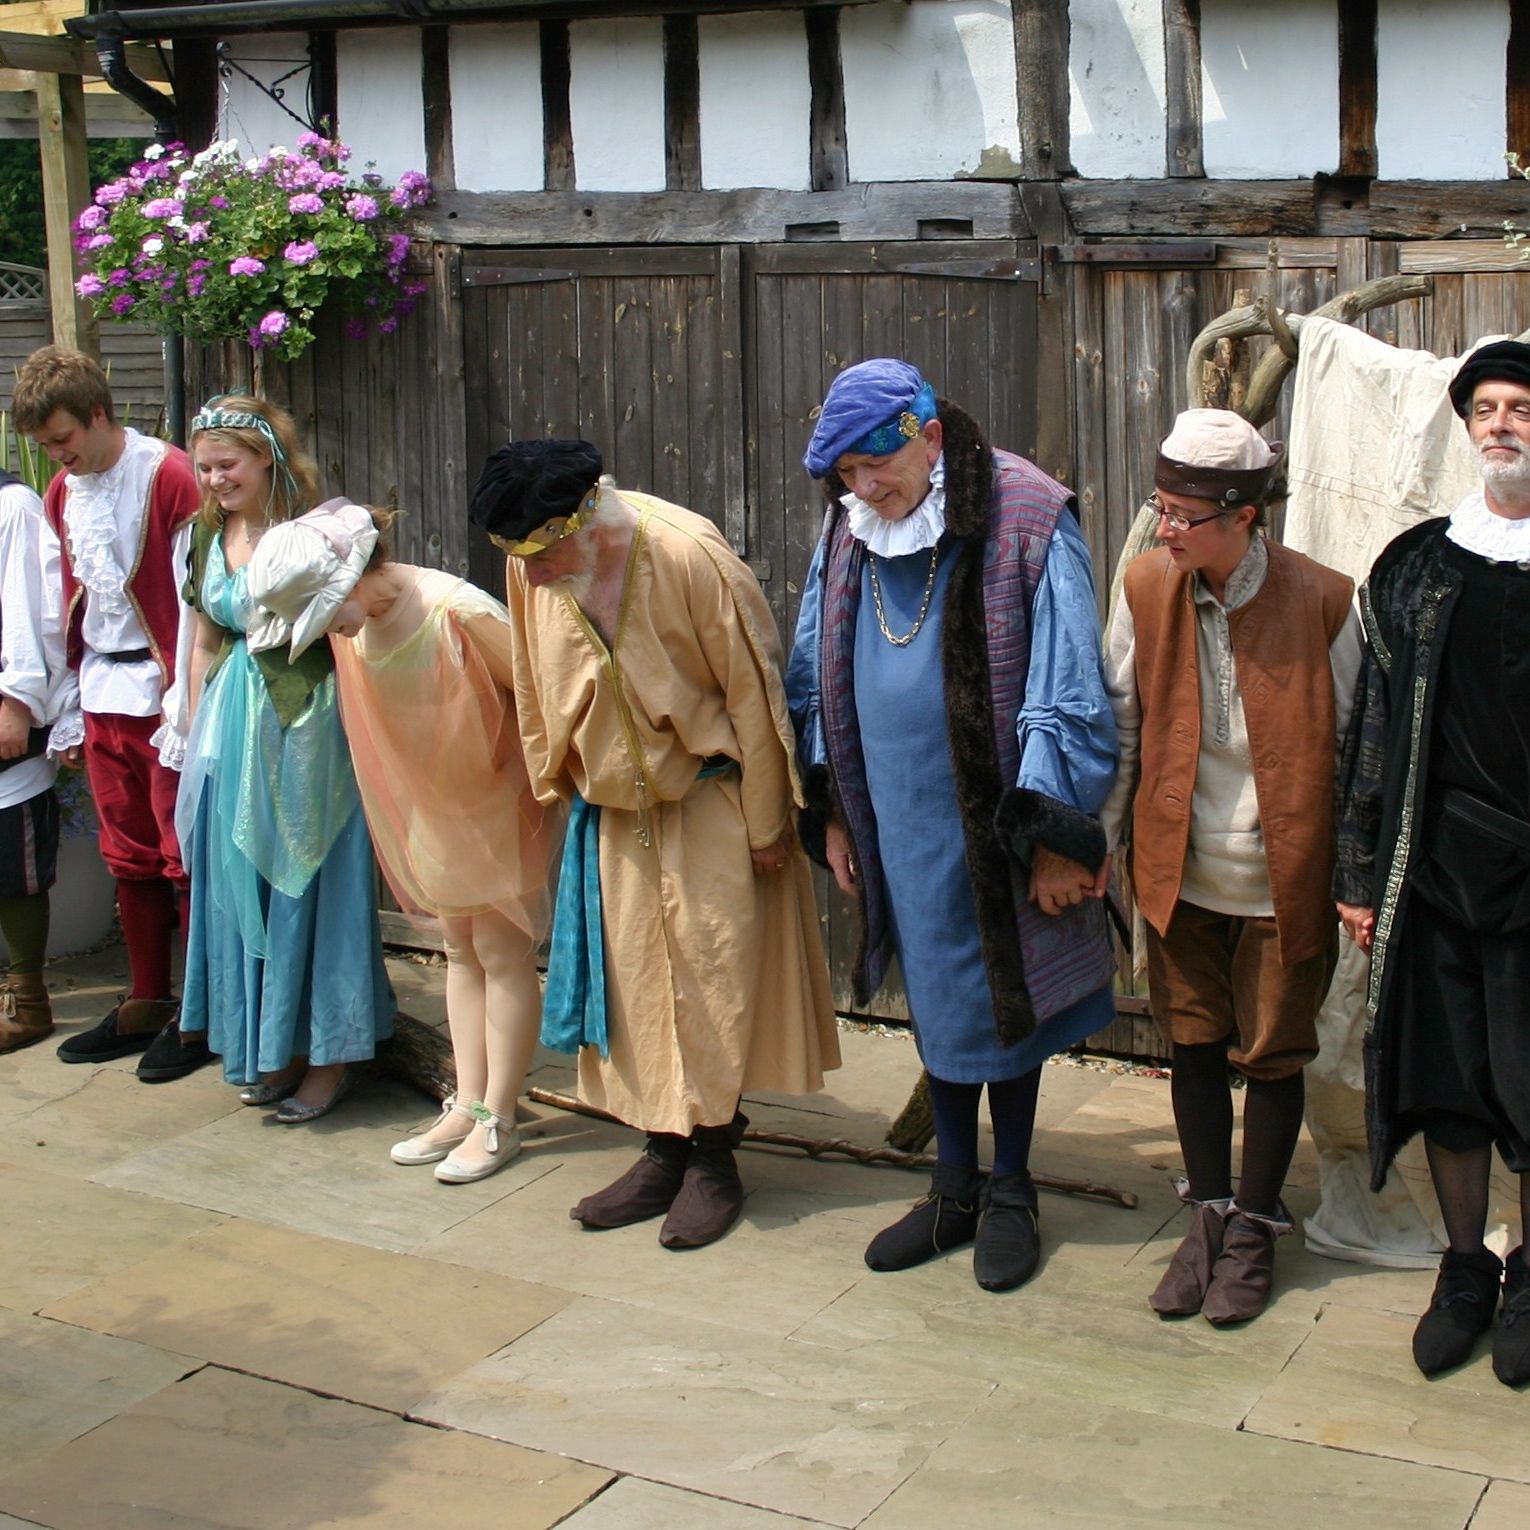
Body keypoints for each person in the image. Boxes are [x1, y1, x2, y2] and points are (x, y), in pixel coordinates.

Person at [788, 358, 1118, 1294]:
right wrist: (836, 812)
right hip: (896, 809)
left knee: (1001, 991)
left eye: (873, 469)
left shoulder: (1027, 513)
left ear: (926, 436)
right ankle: (952, 1188)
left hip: (996, 815)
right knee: (935, 985)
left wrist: (1053, 830)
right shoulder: (851, 521)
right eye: (844, 476)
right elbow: (816, 660)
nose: (860, 491)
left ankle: (1011, 1190)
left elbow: (1066, 683)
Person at [469, 439, 840, 1249]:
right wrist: (553, 781)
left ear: (586, 518)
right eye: (517, 559)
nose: (529, 579)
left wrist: (770, 822)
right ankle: (661, 1150)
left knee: (714, 979)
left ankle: (713, 1157)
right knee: (636, 984)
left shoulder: (686, 554)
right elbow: (533, 676)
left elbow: (756, 691)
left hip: (709, 800)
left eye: (540, 554)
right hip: (611, 810)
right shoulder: (536, 562)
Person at [1100, 409, 1360, 1325]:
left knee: (1275, 1051)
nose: (1163, 528)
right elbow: (1121, 731)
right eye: (1160, 507)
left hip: (1282, 879)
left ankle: (1254, 1226)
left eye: (1181, 514)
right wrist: (1102, 843)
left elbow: (1357, 749)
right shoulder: (1144, 589)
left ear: (1243, 514)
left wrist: (1355, 880)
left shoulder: (1325, 599)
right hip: (1179, 869)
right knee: (1196, 1045)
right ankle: (1207, 1217)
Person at [247, 501, 560, 1180]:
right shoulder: (357, 630)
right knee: (460, 949)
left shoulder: (455, 611)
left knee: (503, 951)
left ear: (356, 576)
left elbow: (537, 697)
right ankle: (468, 1100)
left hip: (494, 805)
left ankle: (498, 1115)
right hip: (430, 808)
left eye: (324, 611)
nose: (328, 629)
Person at [1335, 340, 1530, 1385]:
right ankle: (1465, 1270)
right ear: (1464, 426)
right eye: (1485, 408)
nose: (1501, 423)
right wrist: (1361, 875)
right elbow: (1370, 732)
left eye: (1521, 407)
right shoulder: (1415, 565)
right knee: (1450, 1084)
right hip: (1437, 872)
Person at [174, 396, 392, 1122]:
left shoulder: (317, 534)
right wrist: (190, 725)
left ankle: (330, 1057)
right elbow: (206, 639)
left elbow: (362, 623)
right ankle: (275, 1048)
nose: (212, 480)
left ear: (267, 456)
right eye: (203, 468)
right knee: (241, 885)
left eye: (225, 465)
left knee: (310, 883)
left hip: (307, 726)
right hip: (231, 727)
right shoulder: (205, 537)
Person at [12, 346, 206, 1081]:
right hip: (101, 693)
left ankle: (202, 1010)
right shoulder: (64, 491)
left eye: (63, 438)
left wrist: (185, 702)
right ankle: (148, 997)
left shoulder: (170, 476)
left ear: (99, 414)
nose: (57, 456)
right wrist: (65, 705)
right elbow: (73, 599)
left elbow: (195, 602)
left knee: (180, 857)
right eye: (45, 447)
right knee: (126, 857)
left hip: (165, 697)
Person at [0, 465, 80, 1052]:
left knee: (11, 862)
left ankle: (28, 1002)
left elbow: (31, 610)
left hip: (7, 707)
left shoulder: (13, 508)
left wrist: (17, 701)